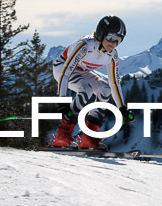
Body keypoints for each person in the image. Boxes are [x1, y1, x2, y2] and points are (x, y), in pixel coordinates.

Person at [50, 15, 136, 149]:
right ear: (101, 34)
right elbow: (66, 73)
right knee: (86, 90)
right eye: (111, 38)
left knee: (105, 90)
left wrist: (122, 108)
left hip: (82, 70)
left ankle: (89, 138)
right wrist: (62, 101)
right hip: (62, 68)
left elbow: (115, 83)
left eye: (118, 40)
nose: (113, 43)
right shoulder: (85, 46)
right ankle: (63, 135)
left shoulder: (112, 55)